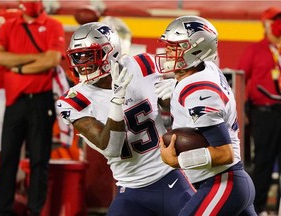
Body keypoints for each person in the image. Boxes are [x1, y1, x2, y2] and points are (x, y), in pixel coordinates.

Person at [57, 22, 195, 216]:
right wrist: (117, 101)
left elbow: (170, 106)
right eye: (77, 57)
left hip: (169, 177)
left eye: (90, 55)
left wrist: (177, 91)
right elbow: (112, 148)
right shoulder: (73, 101)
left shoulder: (142, 65)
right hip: (130, 188)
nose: (82, 64)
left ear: (110, 52)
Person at [157, 15, 257, 215]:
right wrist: (177, 90)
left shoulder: (199, 90)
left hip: (222, 182)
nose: (168, 52)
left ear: (196, 50)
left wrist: (178, 161)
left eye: (176, 46)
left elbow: (224, 153)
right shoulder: (205, 68)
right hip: (229, 182)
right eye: (168, 45)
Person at [0, 0, 65, 215]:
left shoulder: (53, 25)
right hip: (14, 101)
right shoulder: (9, 26)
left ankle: (35, 211)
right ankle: (1, 210)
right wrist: (36, 58)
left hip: (41, 100)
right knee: (8, 157)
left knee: (39, 159)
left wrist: (18, 68)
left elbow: (52, 60)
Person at [238, 7, 281, 215]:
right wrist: (241, 109)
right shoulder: (255, 50)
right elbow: (240, 80)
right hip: (263, 114)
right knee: (263, 161)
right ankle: (257, 208)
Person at [0, 1, 21, 195]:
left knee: (3, 147)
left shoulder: (11, 18)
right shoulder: (12, 18)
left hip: (5, 90)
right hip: (5, 90)